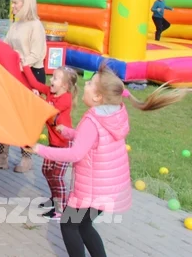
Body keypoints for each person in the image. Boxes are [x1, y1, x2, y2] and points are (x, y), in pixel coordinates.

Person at [29, 65, 185, 257]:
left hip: (91, 191)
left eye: (90, 83)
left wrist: (39, 149)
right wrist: (70, 132)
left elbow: (75, 154)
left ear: (97, 97)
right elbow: (95, 139)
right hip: (108, 190)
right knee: (84, 226)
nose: (85, 84)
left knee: (69, 226)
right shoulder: (115, 113)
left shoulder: (92, 120)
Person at [0, 0, 47, 173]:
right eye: (12, 2)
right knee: (6, 113)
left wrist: (21, 65)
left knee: (25, 116)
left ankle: (26, 157)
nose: (12, 6)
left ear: (25, 4)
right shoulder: (15, 25)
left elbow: (37, 54)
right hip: (15, 73)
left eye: (15, 3)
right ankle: (2, 156)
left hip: (31, 75)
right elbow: (6, 46)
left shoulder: (36, 26)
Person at [22, 65, 79, 219]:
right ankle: (55, 199)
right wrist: (25, 66)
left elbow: (48, 111)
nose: (51, 80)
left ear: (65, 86)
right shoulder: (49, 91)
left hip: (64, 145)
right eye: (52, 76)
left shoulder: (65, 98)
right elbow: (36, 84)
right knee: (47, 171)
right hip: (53, 144)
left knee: (57, 176)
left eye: (55, 78)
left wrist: (37, 98)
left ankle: (61, 209)